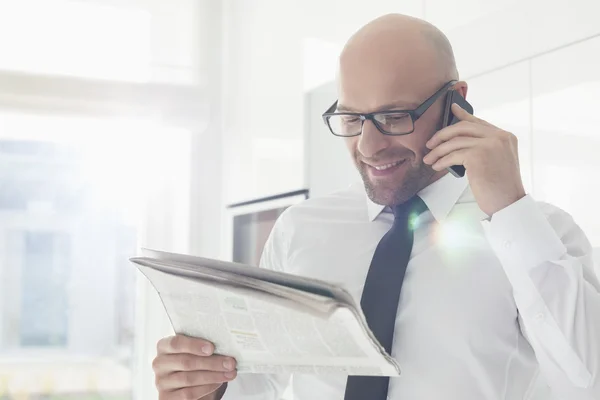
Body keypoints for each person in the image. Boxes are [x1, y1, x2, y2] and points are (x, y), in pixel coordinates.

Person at [151, 13, 600, 400]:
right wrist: (207, 385)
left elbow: (587, 381)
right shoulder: (301, 229)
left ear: (455, 101)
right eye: (351, 118)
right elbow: (260, 381)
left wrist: (510, 209)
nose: (368, 146)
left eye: (393, 117)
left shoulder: (539, 234)